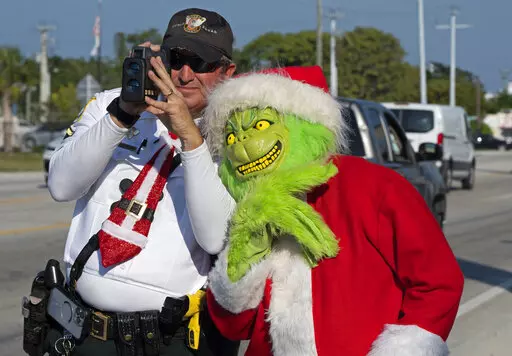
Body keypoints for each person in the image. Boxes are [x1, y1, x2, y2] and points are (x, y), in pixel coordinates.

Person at [200, 66, 465, 355]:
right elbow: (234, 327)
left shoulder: (375, 187)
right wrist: (244, 253)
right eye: (231, 137)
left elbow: (438, 283)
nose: (243, 146)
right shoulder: (250, 207)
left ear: (302, 121)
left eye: (260, 126)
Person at [43, 7, 238, 356]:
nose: (184, 74)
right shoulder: (109, 103)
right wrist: (122, 114)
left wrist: (191, 139)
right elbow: (61, 186)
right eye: (175, 59)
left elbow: (215, 238)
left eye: (202, 64)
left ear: (227, 72)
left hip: (170, 340)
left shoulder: (237, 135)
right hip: (86, 332)